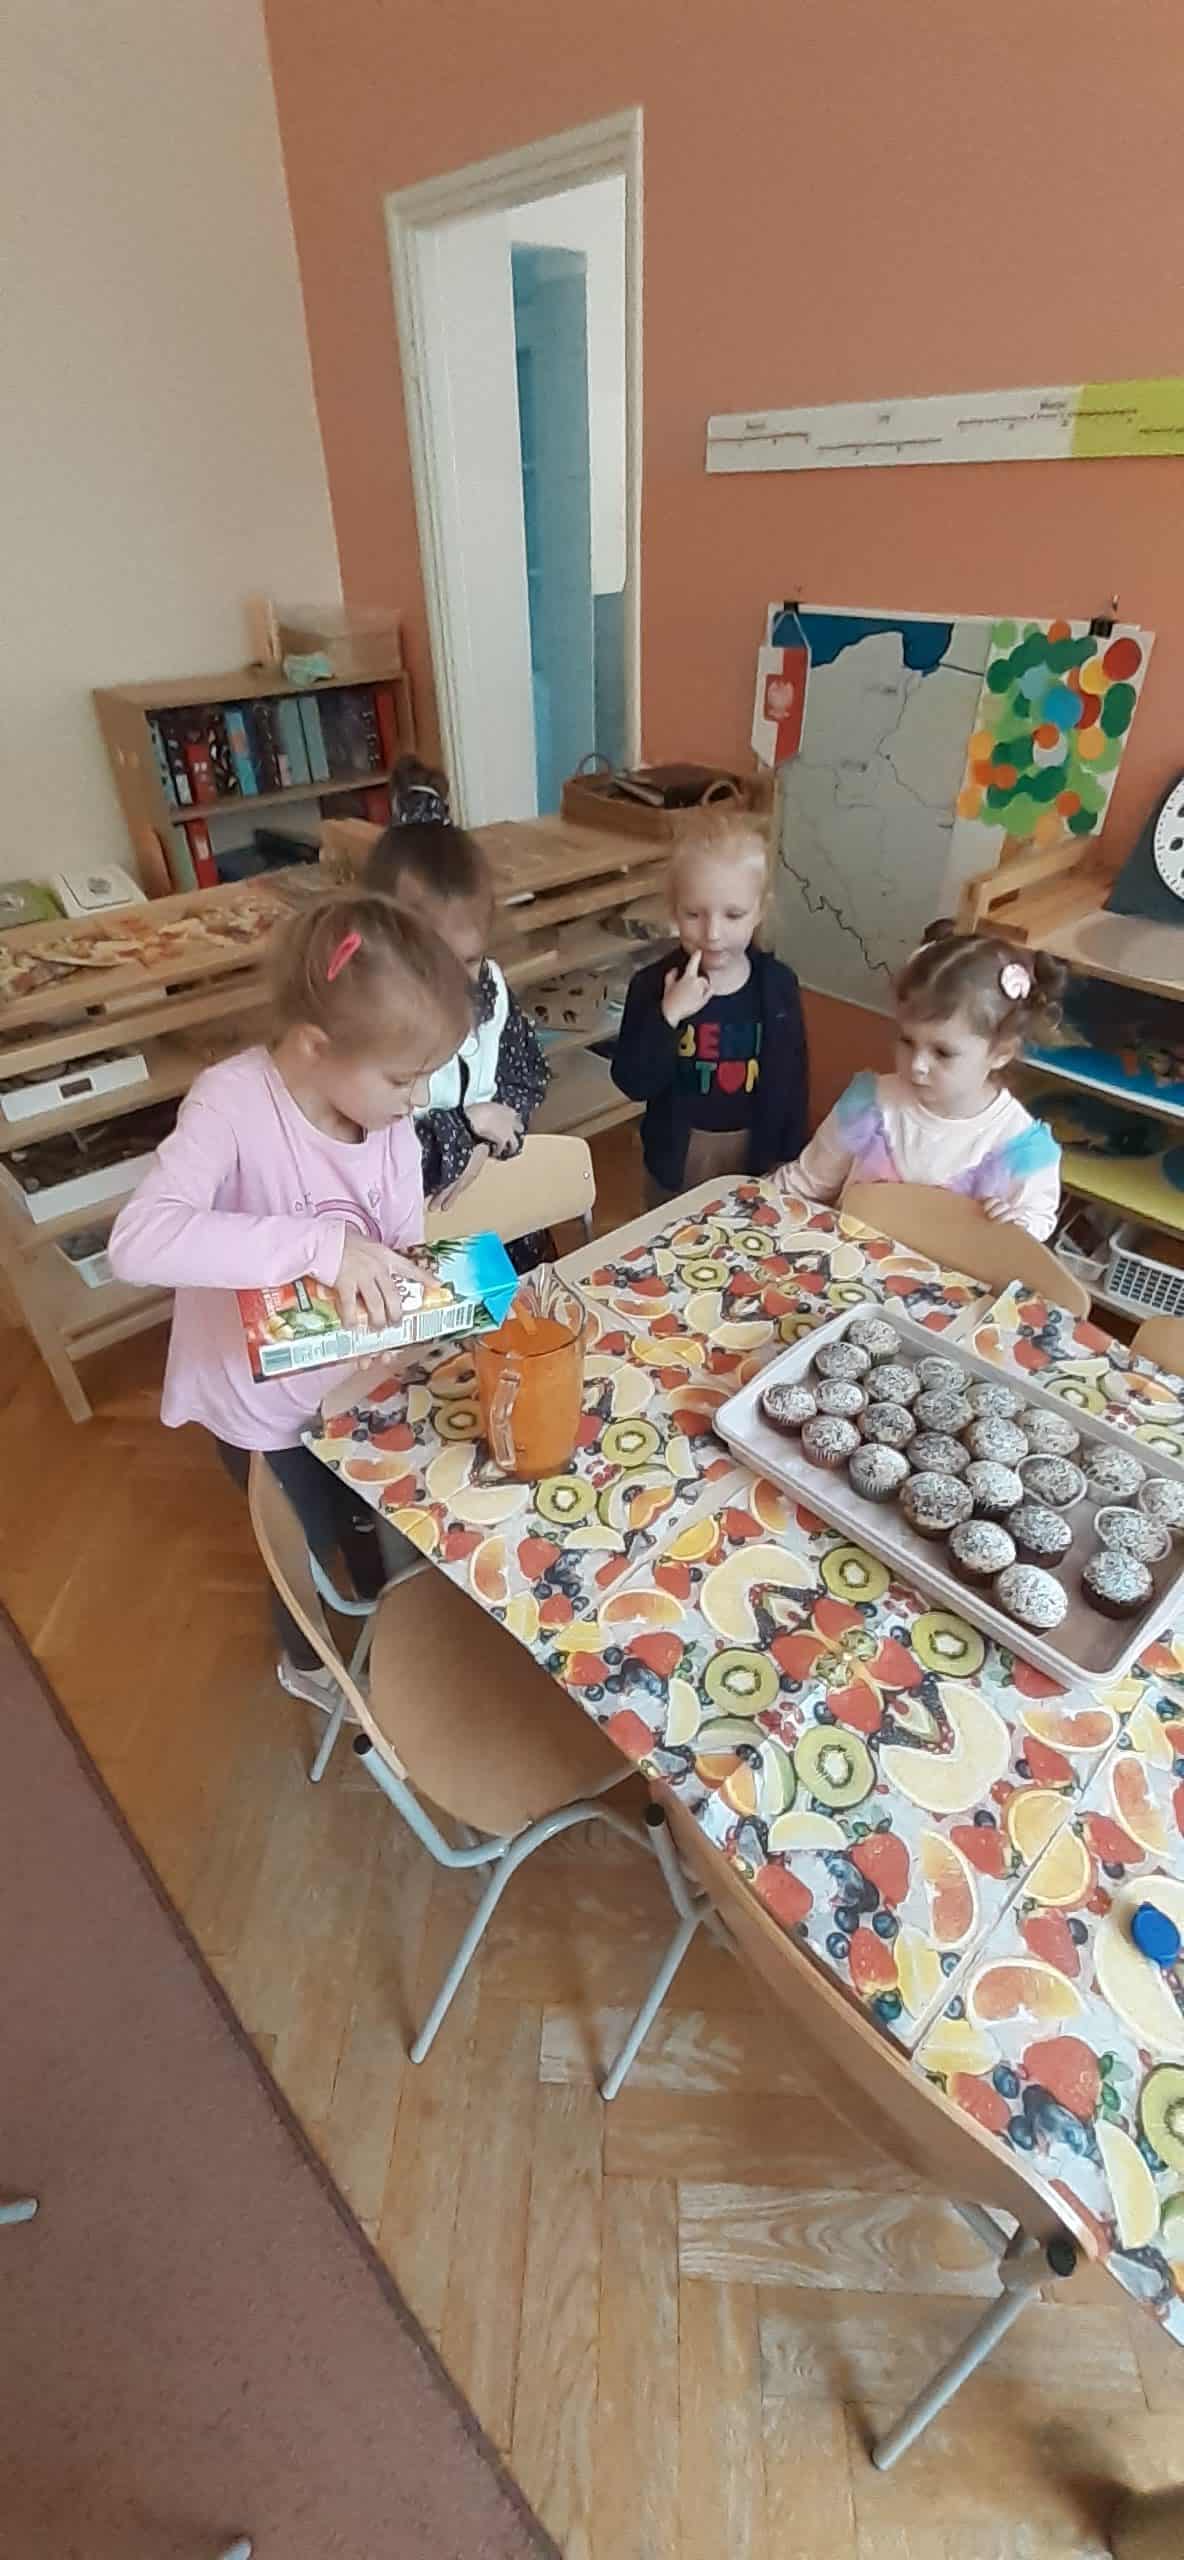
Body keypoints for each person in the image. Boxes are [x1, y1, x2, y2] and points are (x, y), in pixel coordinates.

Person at [108, 892, 471, 1712]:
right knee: (299, 1548)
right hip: (259, 1407)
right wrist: (320, 1247)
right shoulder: (231, 1104)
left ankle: (383, 1608)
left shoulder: (384, 1116)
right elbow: (137, 1242)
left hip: (352, 1382)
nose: (417, 1101)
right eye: (403, 1079)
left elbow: (401, 1239)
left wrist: (412, 1304)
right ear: (315, 1046)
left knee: (367, 1515)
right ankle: (306, 1663)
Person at [363, 766, 549, 1251]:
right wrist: (467, 1126)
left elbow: (527, 1078)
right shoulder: (368, 1027)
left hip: (498, 1218)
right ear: (386, 943)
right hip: (413, 1238)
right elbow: (379, 1160)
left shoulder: (489, 990)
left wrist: (490, 1136)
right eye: (434, 962)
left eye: (468, 959)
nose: (455, 981)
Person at [779, 923, 1065, 1237]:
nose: (917, 1066)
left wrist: (1017, 1226)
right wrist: (751, 1206)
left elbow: (1036, 1224)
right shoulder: (869, 1104)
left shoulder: (1019, 1147)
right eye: (907, 1041)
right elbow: (806, 1182)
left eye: (942, 1052)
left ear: (1001, 1053)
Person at [610, 807, 809, 1204]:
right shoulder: (652, 986)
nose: (713, 933)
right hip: (676, 1159)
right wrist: (667, 1016)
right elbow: (633, 1082)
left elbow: (794, 1081)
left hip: (753, 1155)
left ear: (760, 910)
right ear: (673, 909)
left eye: (733, 915)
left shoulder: (778, 987)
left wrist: (789, 1156)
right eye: (694, 914)